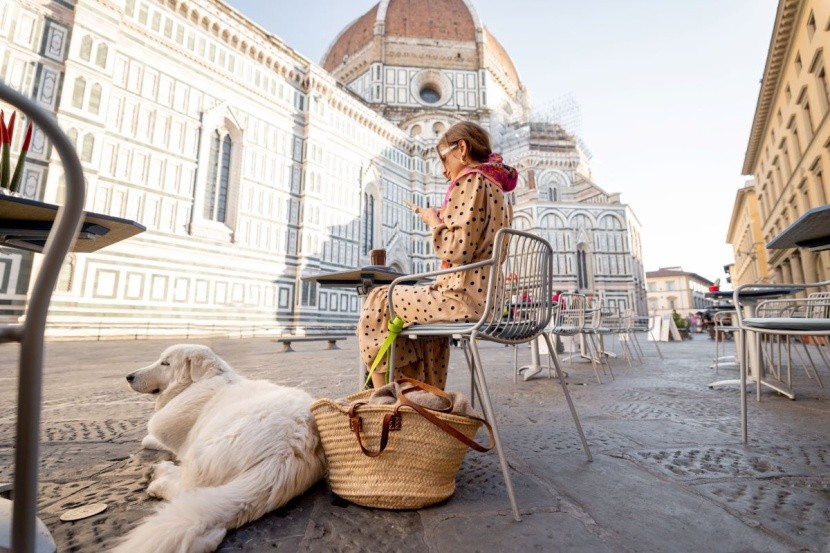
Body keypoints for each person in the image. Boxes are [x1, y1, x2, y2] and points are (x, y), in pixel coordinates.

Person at [357, 121, 516, 389]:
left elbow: (456, 249)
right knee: (412, 318)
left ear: (462, 148)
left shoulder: (469, 181)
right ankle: (420, 393)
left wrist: (433, 221)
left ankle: (381, 395)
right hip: (488, 297)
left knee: (379, 297)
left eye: (444, 158)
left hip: (463, 299)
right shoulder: (497, 188)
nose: (444, 169)